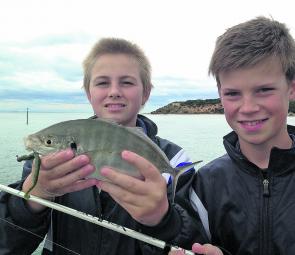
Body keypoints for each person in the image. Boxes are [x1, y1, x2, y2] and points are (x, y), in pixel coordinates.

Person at [0, 38, 198, 255]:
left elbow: (195, 242)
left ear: (146, 93)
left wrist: (163, 219)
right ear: (88, 93)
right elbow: (9, 247)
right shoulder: (46, 165)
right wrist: (35, 195)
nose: (114, 91)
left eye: (127, 82)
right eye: (102, 82)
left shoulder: (176, 159)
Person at [170, 16, 295, 255]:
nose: (247, 107)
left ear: (291, 88)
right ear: (219, 94)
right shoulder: (203, 186)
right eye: (233, 94)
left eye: (264, 90)